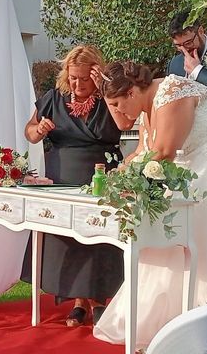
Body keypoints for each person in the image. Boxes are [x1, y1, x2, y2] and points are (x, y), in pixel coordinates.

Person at [94, 61, 207, 348]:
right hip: (193, 168)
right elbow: (142, 152)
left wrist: (132, 175)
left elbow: (164, 152)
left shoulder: (172, 92)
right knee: (170, 239)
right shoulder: (144, 109)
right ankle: (170, 323)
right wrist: (119, 175)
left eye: (117, 103)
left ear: (132, 92)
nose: (117, 111)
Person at [22, 45, 133, 328]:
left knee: (99, 238)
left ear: (94, 74)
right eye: (73, 77)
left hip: (101, 174)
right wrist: (39, 130)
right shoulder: (54, 98)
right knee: (69, 241)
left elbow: (124, 124)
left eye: (84, 78)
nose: (78, 83)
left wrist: (105, 89)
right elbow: (30, 132)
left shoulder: (108, 98)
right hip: (61, 176)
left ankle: (100, 301)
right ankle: (78, 302)